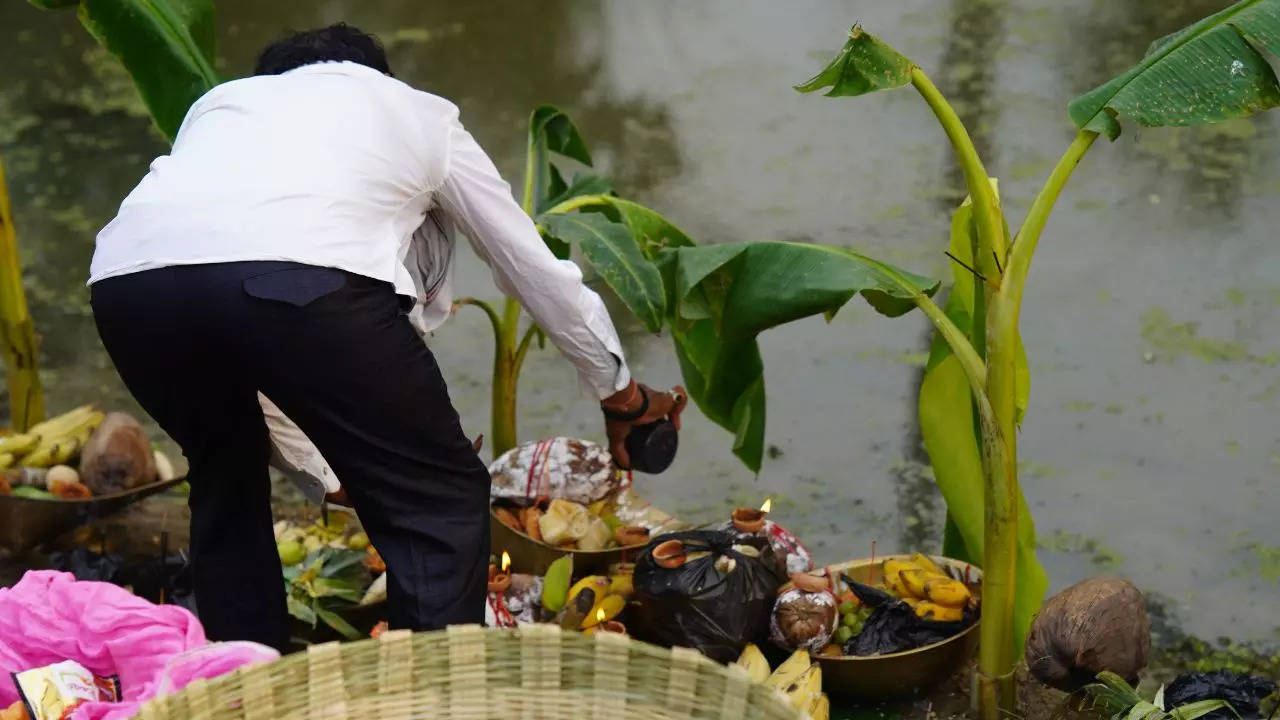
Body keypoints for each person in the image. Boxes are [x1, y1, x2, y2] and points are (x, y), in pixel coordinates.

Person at [87, 23, 686, 652]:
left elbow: (239, 313)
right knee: (441, 500)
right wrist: (621, 393)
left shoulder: (220, 108)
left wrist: (326, 472)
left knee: (224, 477)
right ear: (377, 76)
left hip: (129, 290)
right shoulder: (418, 113)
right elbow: (531, 269)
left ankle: (240, 685)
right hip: (304, 285)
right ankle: (424, 695)